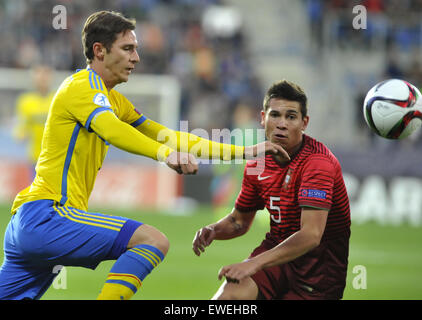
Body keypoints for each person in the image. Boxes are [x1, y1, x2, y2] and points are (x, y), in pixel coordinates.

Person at [0, 11, 286, 300]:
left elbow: (171, 136)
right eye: (127, 49)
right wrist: (166, 155)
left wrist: (246, 152)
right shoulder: (80, 87)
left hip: (27, 225)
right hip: (48, 216)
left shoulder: (114, 101)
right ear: (99, 50)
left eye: (135, 49)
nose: (136, 58)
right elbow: (112, 130)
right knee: (152, 241)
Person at [192, 80, 351, 300]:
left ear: (304, 123)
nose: (282, 124)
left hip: (317, 275)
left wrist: (253, 264)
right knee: (228, 297)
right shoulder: (258, 163)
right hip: (274, 262)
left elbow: (311, 235)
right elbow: (239, 221)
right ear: (262, 118)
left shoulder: (318, 163)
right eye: (275, 115)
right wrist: (214, 230)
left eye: (291, 117)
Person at [13, 64, 55, 172]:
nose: (42, 78)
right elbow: (20, 129)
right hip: (35, 159)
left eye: (46, 74)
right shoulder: (25, 102)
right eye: (39, 74)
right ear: (33, 77)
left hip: (55, 159)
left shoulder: (58, 99)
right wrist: (21, 134)